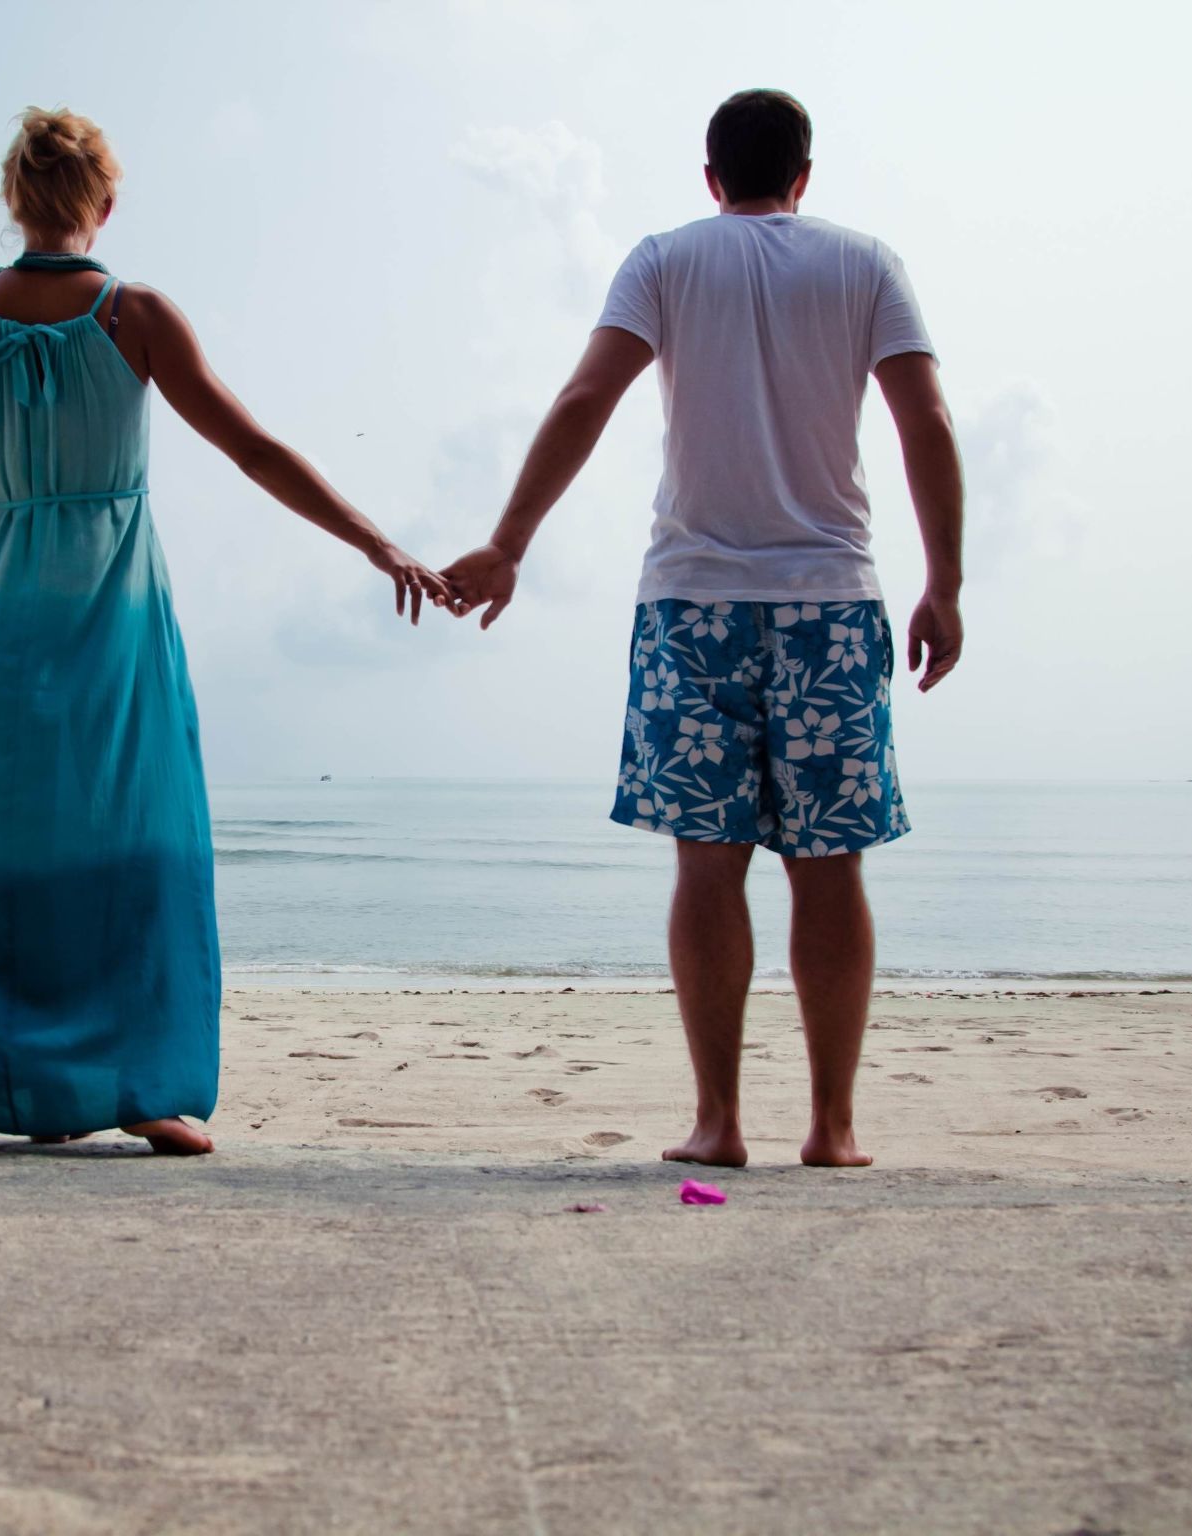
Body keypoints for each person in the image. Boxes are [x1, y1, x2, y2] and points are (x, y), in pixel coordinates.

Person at [0, 108, 450, 1155]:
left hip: (1, 605)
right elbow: (252, 450)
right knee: (134, 836)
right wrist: (376, 543)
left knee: (9, 845)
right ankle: (136, 1088)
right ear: (104, 204)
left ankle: (30, 1083)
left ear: (13, 202)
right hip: (112, 604)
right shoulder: (133, 314)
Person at [442, 88, 964, 1169]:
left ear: (710, 177)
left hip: (691, 604)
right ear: (802, 177)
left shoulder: (664, 259)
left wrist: (509, 541)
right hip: (829, 599)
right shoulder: (864, 262)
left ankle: (718, 1123)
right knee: (829, 867)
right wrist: (943, 581)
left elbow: (586, 398)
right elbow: (925, 420)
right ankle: (831, 1129)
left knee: (705, 864)